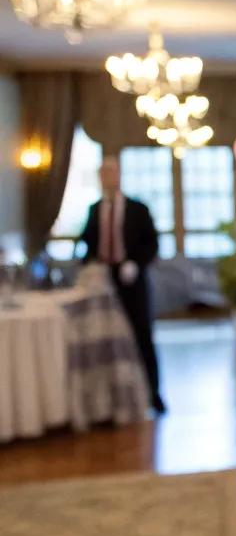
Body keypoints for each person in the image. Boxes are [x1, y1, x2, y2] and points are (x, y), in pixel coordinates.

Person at [79, 154, 165, 414]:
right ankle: (112, 398)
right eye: (103, 174)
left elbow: (152, 243)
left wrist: (136, 264)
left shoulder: (138, 209)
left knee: (142, 335)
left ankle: (153, 393)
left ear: (119, 176)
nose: (108, 179)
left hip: (133, 279)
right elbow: (89, 243)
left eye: (112, 173)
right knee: (106, 336)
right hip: (105, 279)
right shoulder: (95, 209)